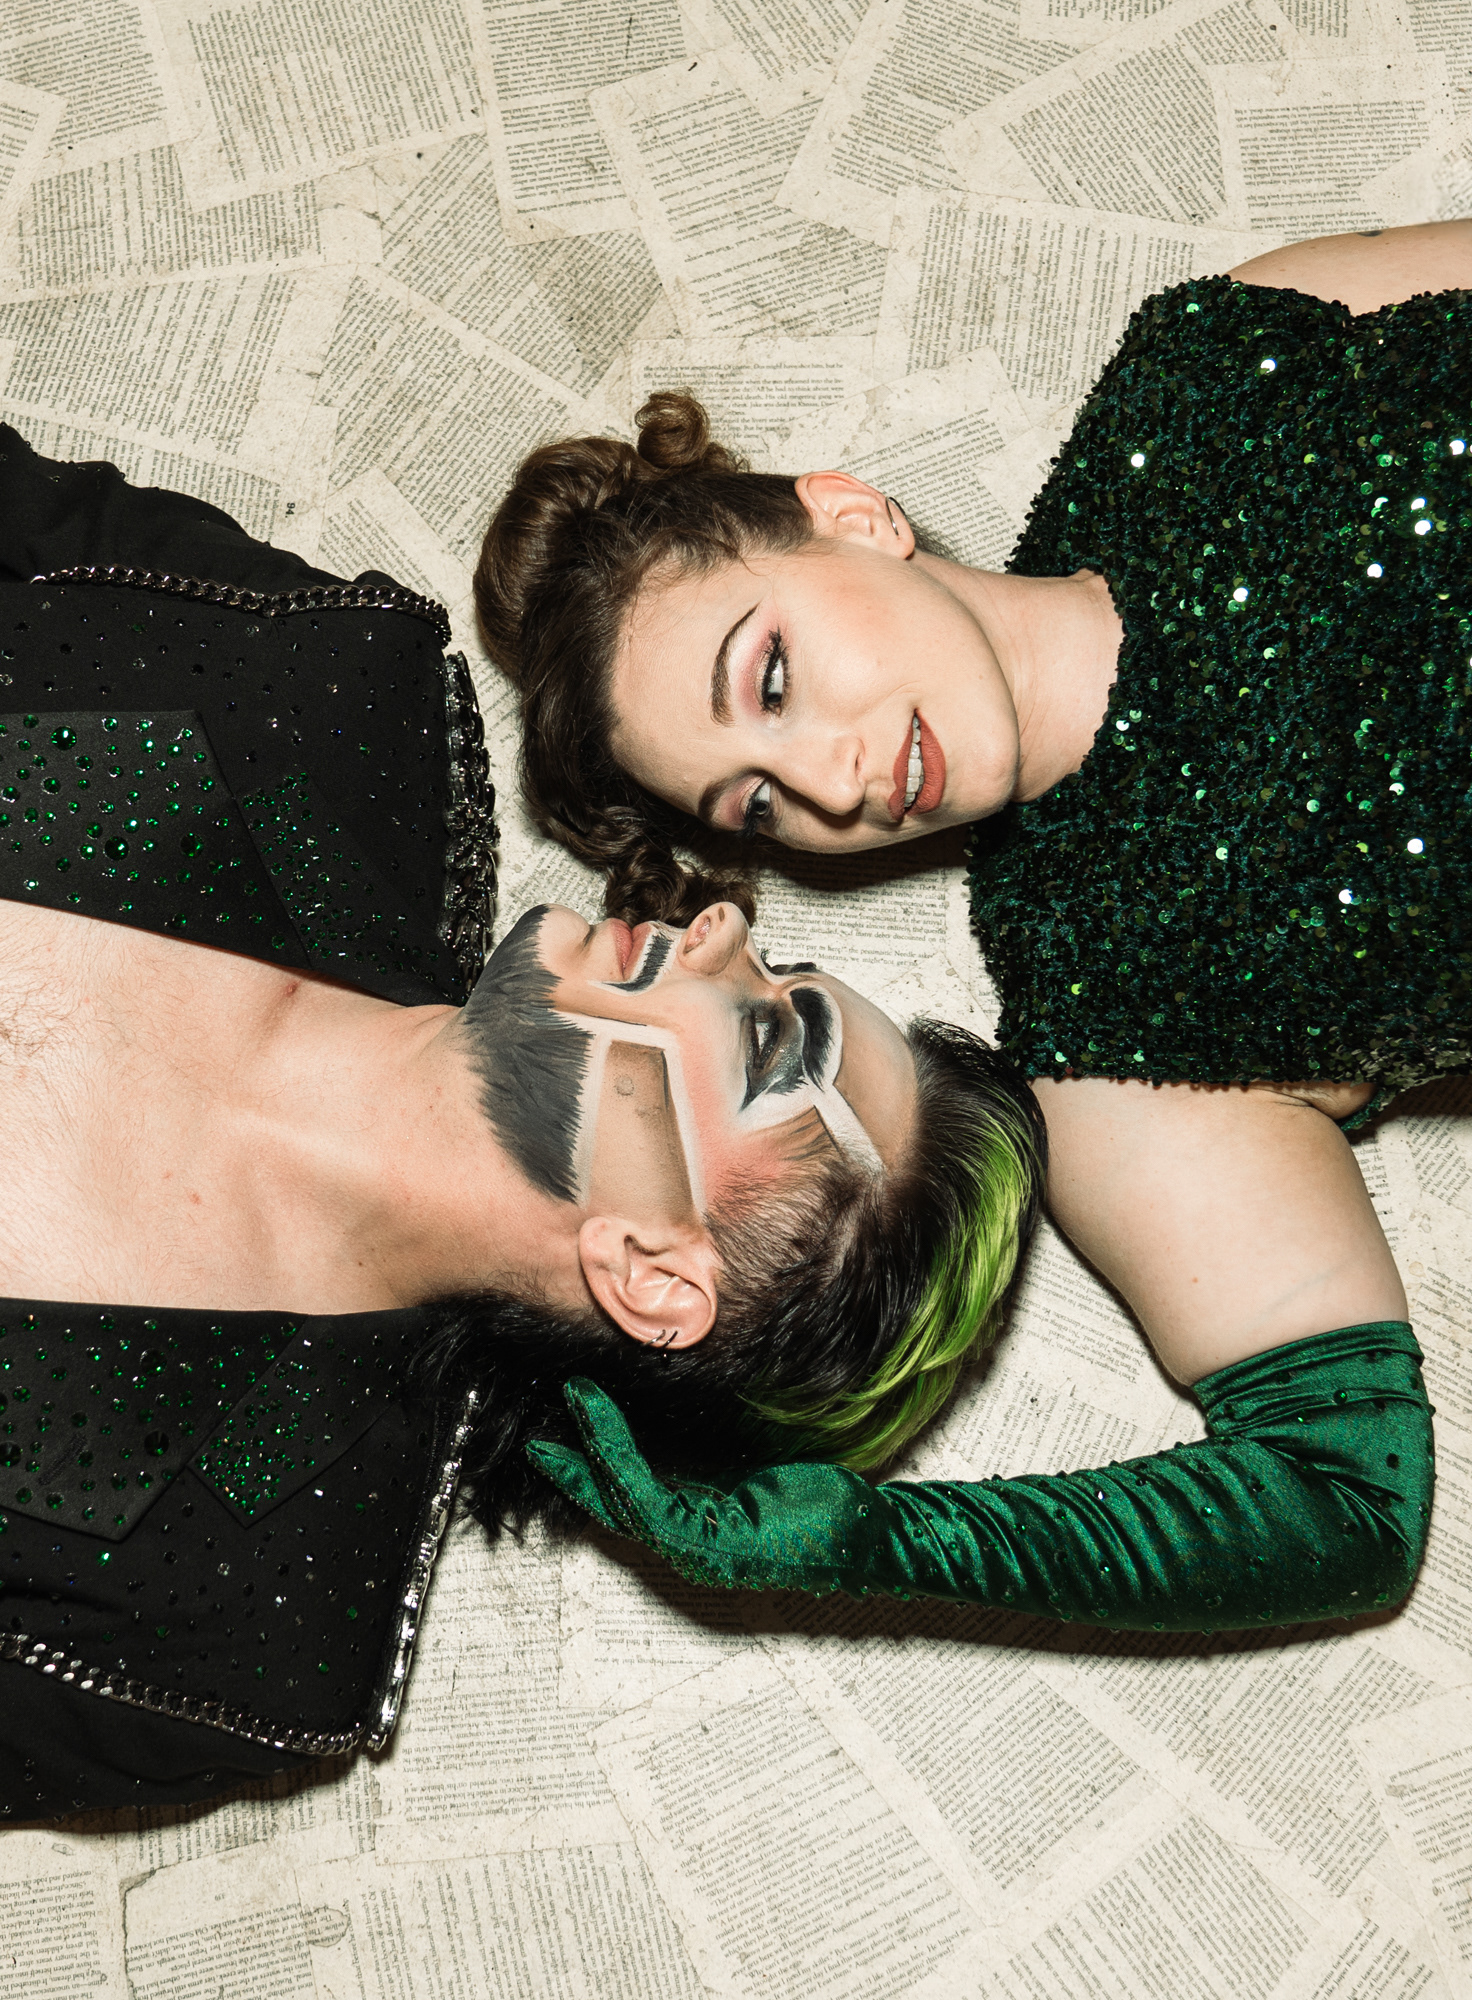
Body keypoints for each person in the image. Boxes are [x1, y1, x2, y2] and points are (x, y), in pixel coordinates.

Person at [0, 391, 1040, 1850]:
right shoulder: (332, 696)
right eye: (788, 964)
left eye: (774, 1038)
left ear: (654, 1273)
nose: (726, 926)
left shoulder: (244, 1630)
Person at [475, 223, 1456, 1624]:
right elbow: (1342, 1494)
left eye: (771, 676)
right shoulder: (1118, 1034)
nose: (830, 782)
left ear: (850, 513)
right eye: (759, 802)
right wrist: (865, 1542)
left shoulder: (1216, 355)